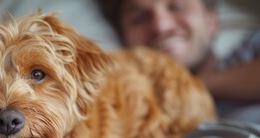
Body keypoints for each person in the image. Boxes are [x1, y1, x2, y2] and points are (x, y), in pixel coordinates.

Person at [98, 0, 260, 123]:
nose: (161, 26)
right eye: (140, 18)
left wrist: (186, 86)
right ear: (124, 40)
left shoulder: (252, 48)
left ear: (211, 21)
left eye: (177, 7)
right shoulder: (121, 112)